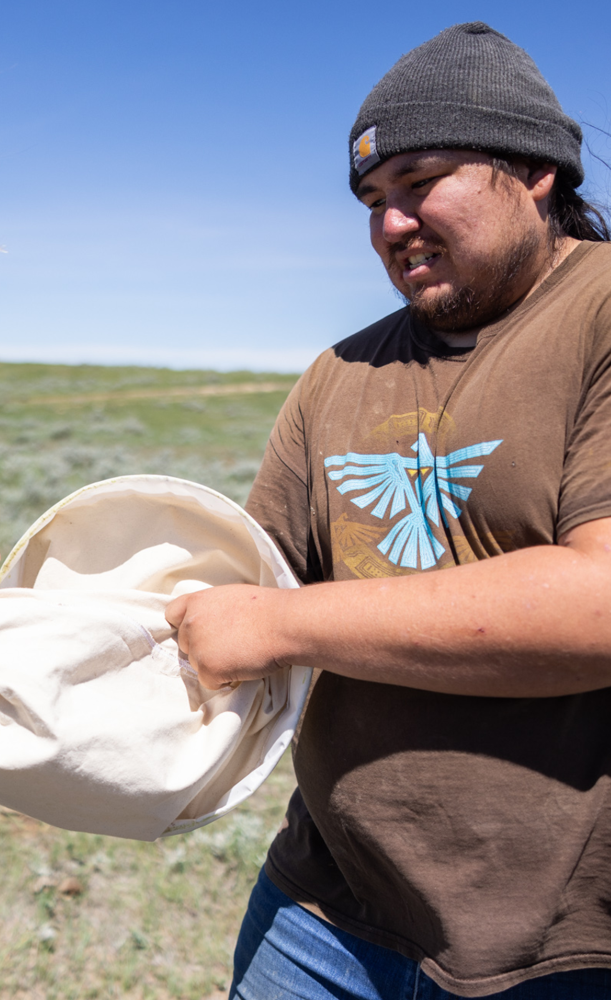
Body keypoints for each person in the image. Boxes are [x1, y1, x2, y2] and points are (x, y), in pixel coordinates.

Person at [167, 22, 611, 1000]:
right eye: (372, 199)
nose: (391, 223)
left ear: (535, 169)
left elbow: (601, 603)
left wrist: (276, 626)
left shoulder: (598, 319)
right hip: (319, 902)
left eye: (420, 180)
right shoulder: (340, 371)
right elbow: (240, 576)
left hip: (556, 943)